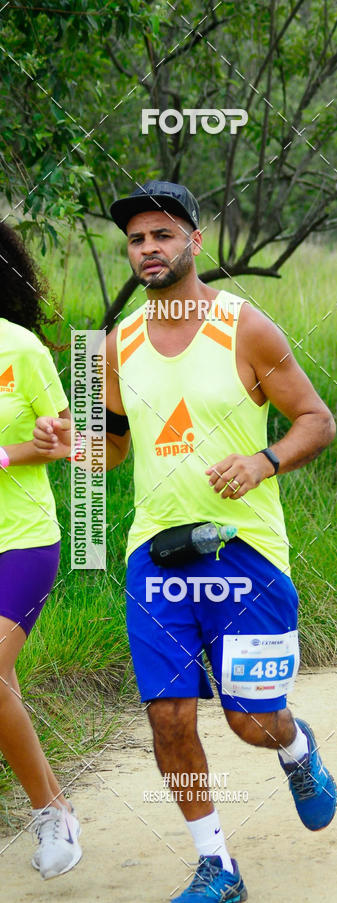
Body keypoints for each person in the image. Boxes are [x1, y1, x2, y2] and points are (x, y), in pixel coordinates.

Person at [34, 181, 337, 903]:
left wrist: (262, 461)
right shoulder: (117, 344)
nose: (148, 249)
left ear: (194, 242)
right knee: (168, 713)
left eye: (162, 235)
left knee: (249, 719)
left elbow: (316, 421)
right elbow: (110, 450)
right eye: (137, 239)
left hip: (245, 551)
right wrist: (64, 443)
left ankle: (295, 747)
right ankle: (217, 866)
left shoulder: (246, 327)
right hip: (156, 553)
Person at [0, 223, 81, 879]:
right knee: (3, 688)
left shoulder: (20, 348)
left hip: (22, 540)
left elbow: (64, 441)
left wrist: (6, 452)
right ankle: (52, 803)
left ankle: (53, 813)